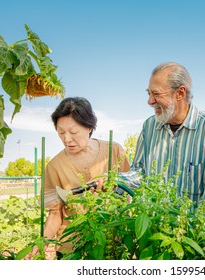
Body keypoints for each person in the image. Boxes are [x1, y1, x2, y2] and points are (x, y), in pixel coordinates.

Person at [27, 97, 130, 259]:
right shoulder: (54, 166)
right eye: (61, 132)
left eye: (73, 132)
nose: (67, 139)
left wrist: (114, 187)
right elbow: (55, 215)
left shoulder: (114, 151)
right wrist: (40, 244)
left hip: (111, 242)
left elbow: (130, 192)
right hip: (71, 249)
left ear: (89, 127)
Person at [114, 62, 205, 204]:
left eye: (156, 94)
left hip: (191, 225)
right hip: (154, 224)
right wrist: (113, 180)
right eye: (149, 93)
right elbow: (140, 172)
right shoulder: (149, 127)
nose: (150, 101)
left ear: (180, 93)